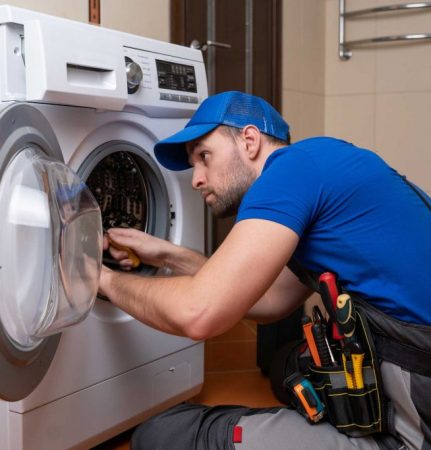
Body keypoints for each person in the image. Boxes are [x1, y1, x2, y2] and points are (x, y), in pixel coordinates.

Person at [98, 91, 431, 450]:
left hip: (418, 397)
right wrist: (167, 255)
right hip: (410, 361)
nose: (196, 179)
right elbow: (270, 298)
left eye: (204, 157)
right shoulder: (320, 163)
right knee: (286, 366)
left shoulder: (289, 171)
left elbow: (197, 314)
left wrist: (100, 278)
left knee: (160, 436)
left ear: (250, 140)